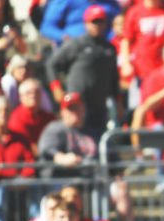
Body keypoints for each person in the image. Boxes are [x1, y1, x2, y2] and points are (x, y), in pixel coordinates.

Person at [46, 4, 120, 139]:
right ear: (86, 24)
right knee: (76, 138)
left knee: (99, 138)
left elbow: (114, 77)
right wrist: (56, 87)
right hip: (77, 104)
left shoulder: (109, 49)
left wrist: (117, 99)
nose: (97, 25)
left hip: (99, 105)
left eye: (101, 21)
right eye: (94, 21)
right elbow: (52, 64)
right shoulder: (77, 44)